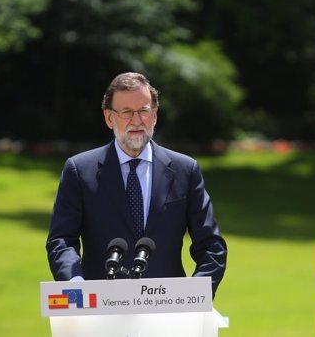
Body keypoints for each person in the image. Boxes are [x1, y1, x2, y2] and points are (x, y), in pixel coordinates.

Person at [46, 72, 227, 296]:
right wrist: (74, 284)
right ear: (109, 117)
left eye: (143, 111)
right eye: (126, 112)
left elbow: (211, 246)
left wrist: (195, 296)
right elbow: (62, 240)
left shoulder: (185, 170)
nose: (136, 120)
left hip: (167, 312)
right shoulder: (79, 170)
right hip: (100, 310)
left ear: (155, 116)